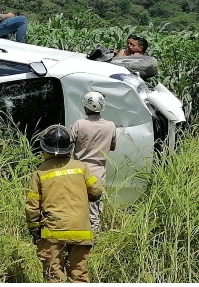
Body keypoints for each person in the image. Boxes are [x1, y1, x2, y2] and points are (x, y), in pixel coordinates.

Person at [26, 124, 103, 283]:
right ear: (70, 147)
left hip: (52, 233)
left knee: (53, 276)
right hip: (81, 232)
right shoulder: (81, 168)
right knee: (79, 274)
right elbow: (96, 191)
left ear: (44, 148)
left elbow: (32, 206)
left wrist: (34, 228)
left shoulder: (39, 173)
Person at [70, 91, 116, 234]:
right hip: (98, 172)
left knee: (76, 205)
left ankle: (76, 237)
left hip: (79, 170)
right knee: (94, 206)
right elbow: (112, 147)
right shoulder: (110, 126)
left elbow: (69, 143)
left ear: (86, 107)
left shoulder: (79, 124)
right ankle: (93, 239)